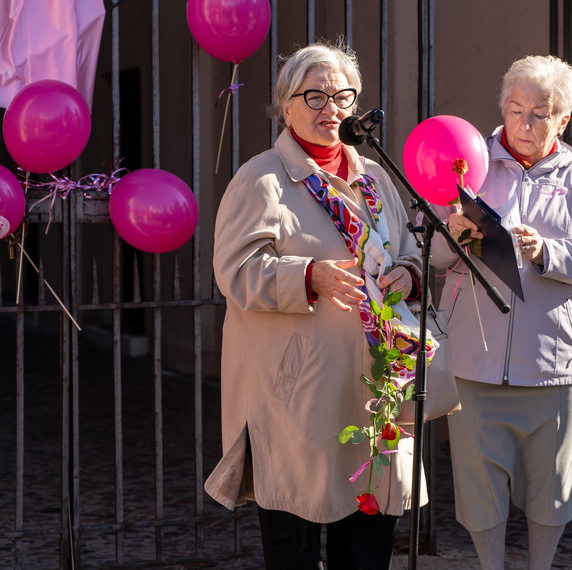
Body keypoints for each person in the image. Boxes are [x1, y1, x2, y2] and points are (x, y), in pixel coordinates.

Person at [204, 41, 427, 570]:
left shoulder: (375, 177)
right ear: (287, 106)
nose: (333, 108)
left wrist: (409, 273)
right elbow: (235, 271)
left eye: (343, 95)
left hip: (374, 391)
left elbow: (410, 247)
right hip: (298, 396)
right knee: (295, 546)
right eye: (316, 96)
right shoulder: (261, 178)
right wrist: (309, 276)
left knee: (368, 547)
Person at [430, 55, 572, 570]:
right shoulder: (466, 167)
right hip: (475, 359)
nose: (525, 123)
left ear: (563, 119)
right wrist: (453, 239)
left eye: (541, 112)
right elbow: (430, 255)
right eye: (516, 109)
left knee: (552, 487)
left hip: (555, 364)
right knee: (478, 485)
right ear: (503, 108)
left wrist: (548, 252)